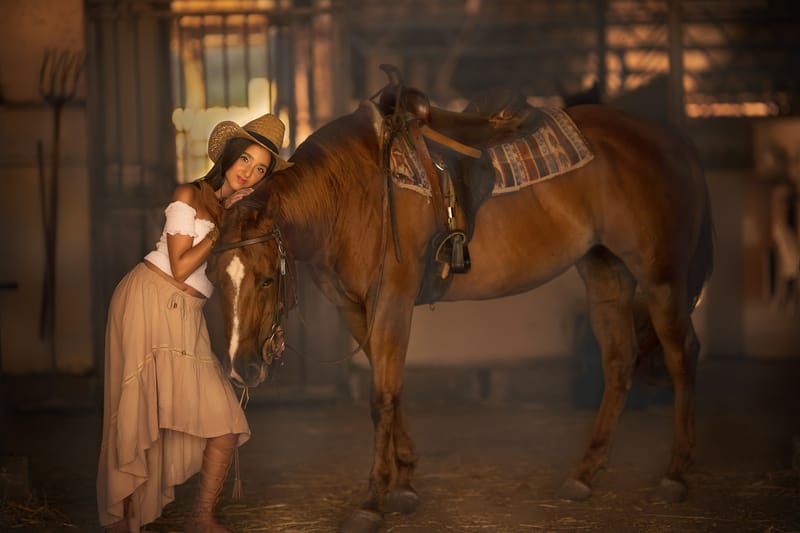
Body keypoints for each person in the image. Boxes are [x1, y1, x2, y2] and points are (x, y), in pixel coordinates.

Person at [97, 113, 293, 533]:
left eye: (261, 169)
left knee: (225, 423)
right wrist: (221, 226)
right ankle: (123, 522)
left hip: (188, 316)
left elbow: (247, 275)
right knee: (137, 413)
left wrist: (270, 327)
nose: (249, 173)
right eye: (245, 159)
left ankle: (201, 517)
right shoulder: (189, 194)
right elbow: (182, 266)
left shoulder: (241, 213)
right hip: (147, 299)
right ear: (229, 156)